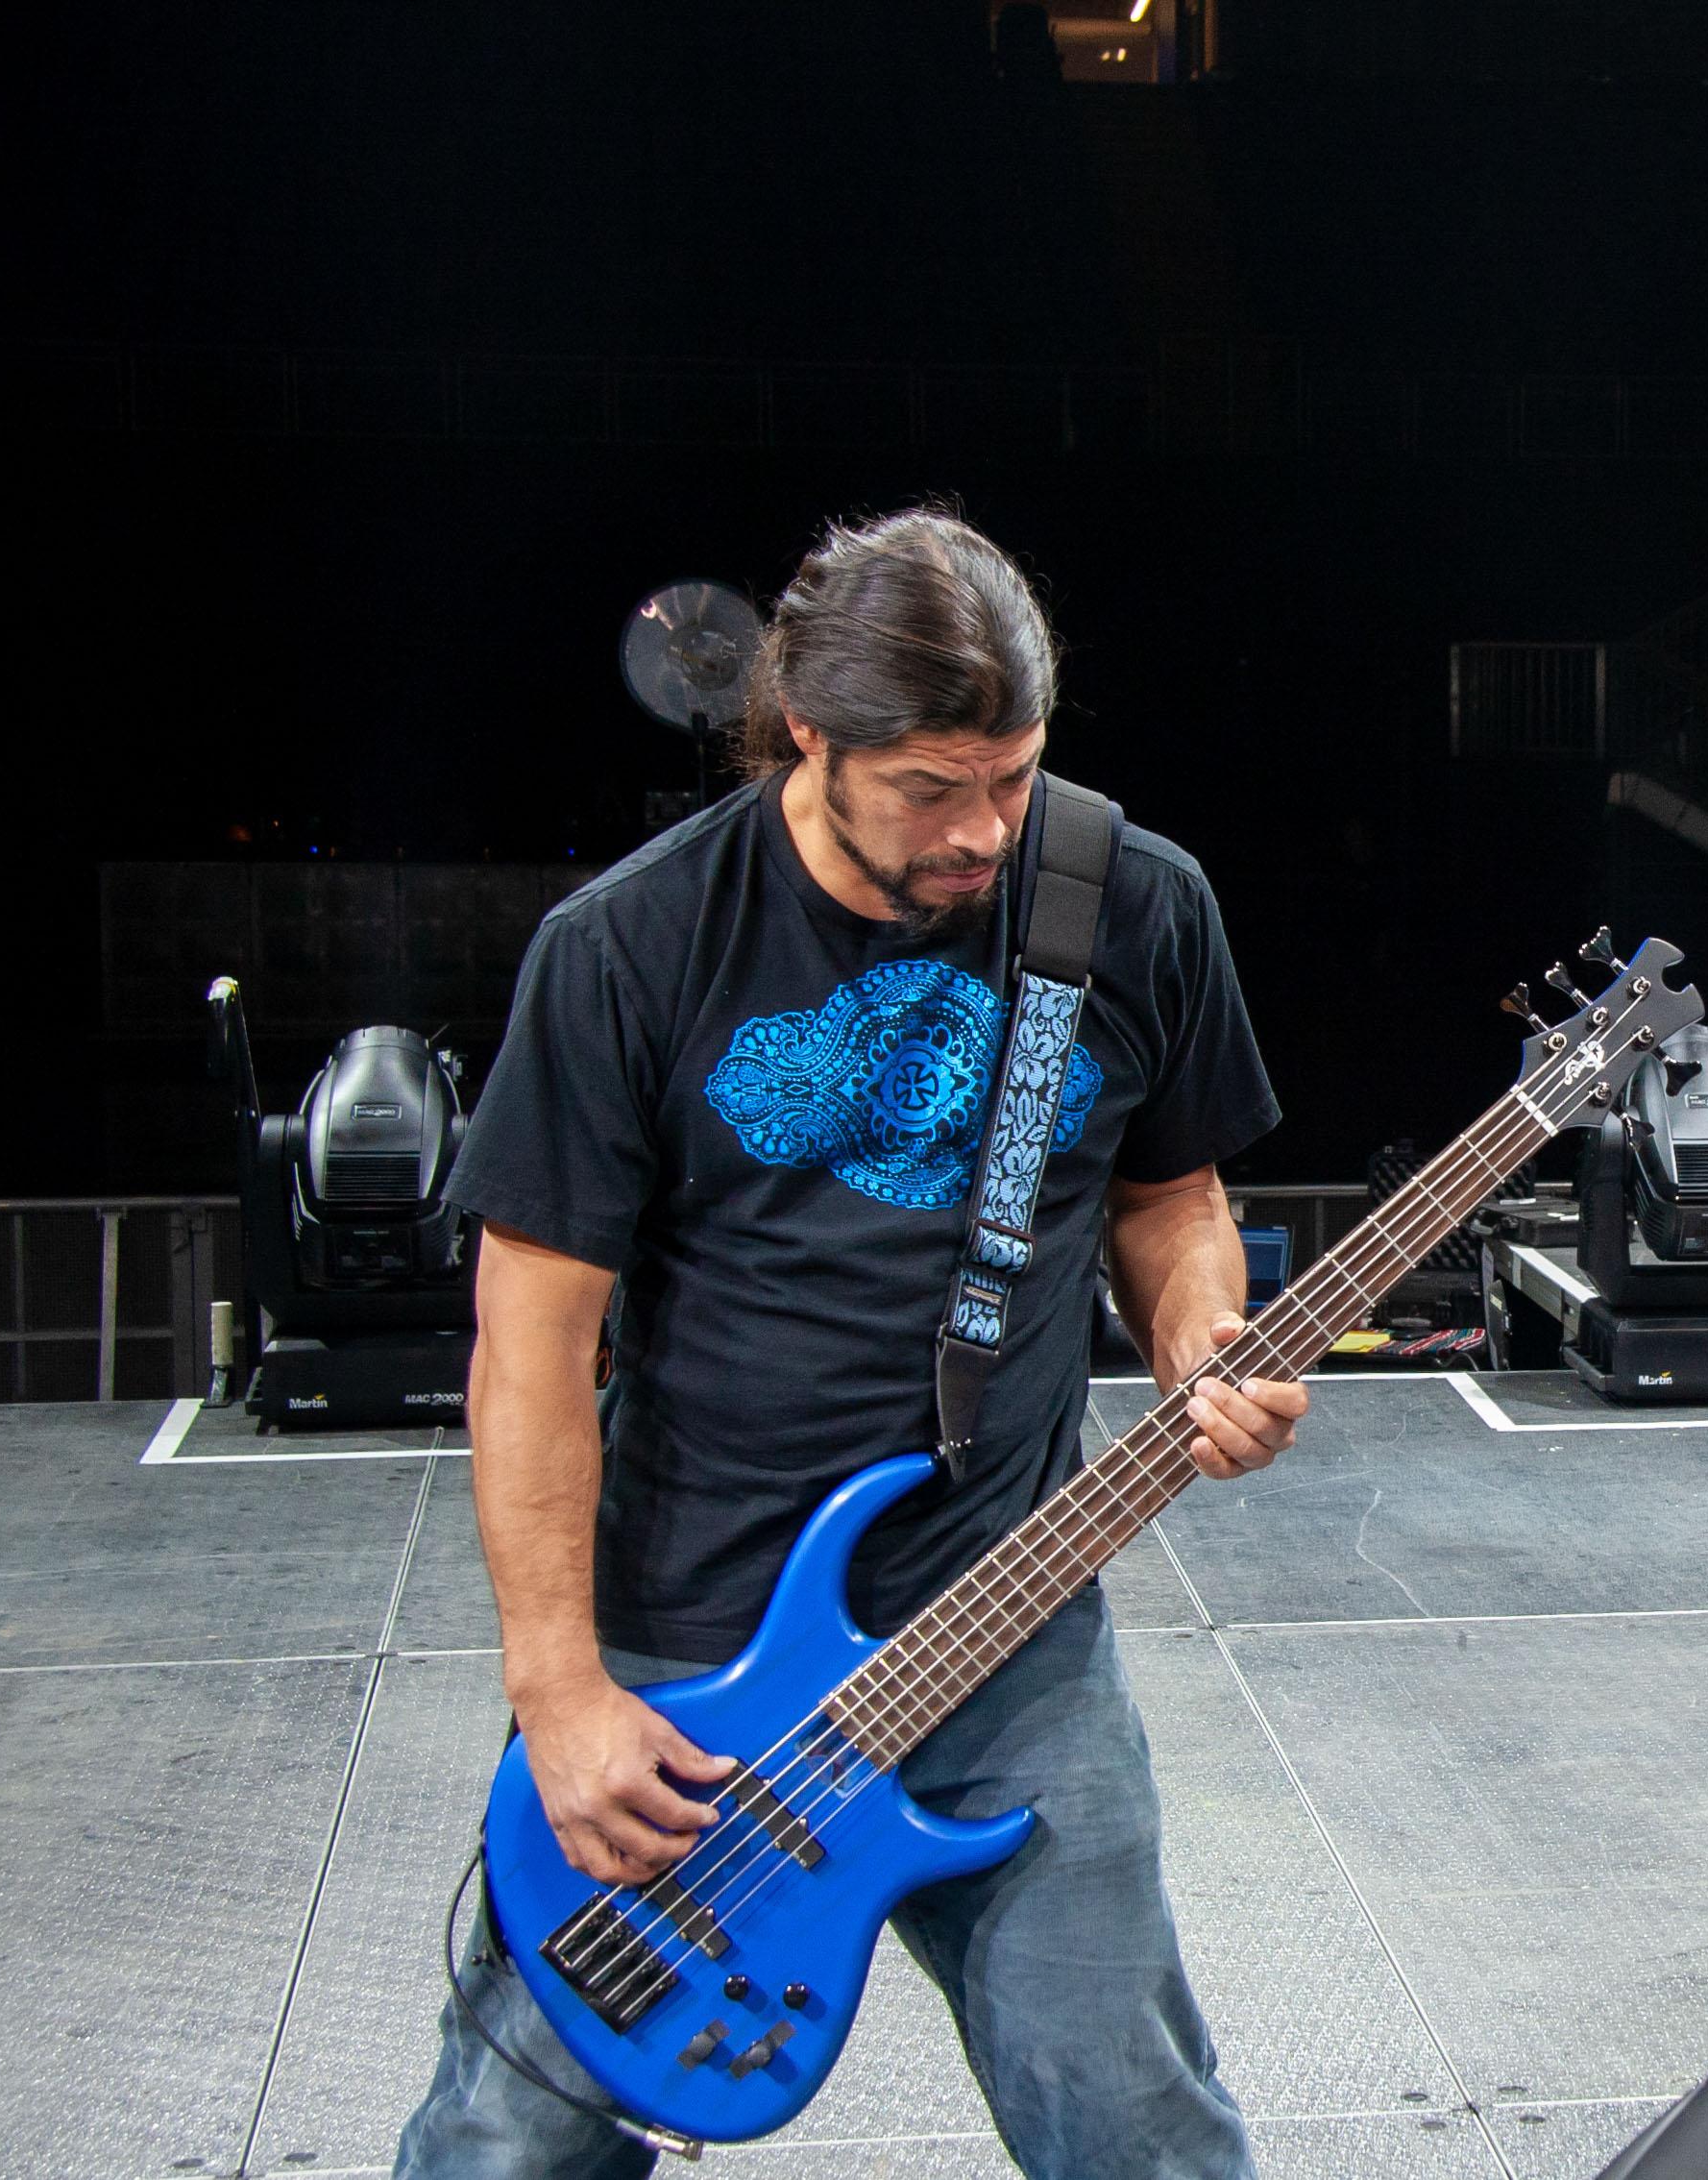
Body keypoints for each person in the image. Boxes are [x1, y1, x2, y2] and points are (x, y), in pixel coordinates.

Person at [397, 510, 1304, 2180]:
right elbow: (530, 1350)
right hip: (689, 1655)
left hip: (1003, 1620)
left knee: (1135, 2122)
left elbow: (1171, 1197)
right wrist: (560, 1691)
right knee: (512, 2142)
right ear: (806, 732)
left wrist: (1199, 1330)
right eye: (930, 789)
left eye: (1013, 777)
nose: (982, 831)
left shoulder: (1128, 902)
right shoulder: (631, 946)